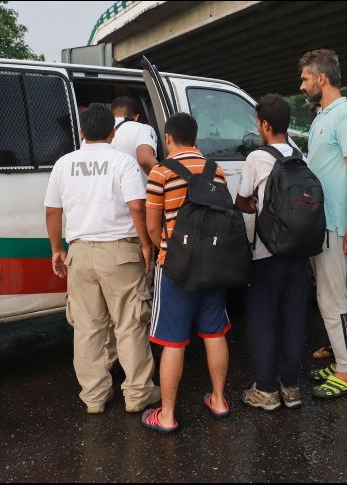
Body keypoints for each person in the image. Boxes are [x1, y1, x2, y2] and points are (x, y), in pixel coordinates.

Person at [44, 103, 159, 415]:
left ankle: (94, 397)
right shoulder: (122, 162)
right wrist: (146, 244)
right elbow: (137, 206)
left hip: (79, 253)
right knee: (130, 323)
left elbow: (53, 210)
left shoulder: (63, 164)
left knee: (88, 328)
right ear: (113, 132)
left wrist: (57, 248)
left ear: (81, 132)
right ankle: (137, 394)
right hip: (120, 252)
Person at [141, 113, 232, 432]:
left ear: (168, 139)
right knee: (215, 333)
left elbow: (152, 225)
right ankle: (219, 400)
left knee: (173, 341)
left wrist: (166, 249)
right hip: (214, 263)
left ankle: (166, 415)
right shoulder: (216, 170)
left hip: (176, 266)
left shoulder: (161, 172)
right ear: (196, 138)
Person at [234, 94, 310, 411]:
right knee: (294, 319)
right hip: (301, 251)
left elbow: (241, 201)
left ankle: (265, 390)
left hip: (268, 252)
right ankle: (291, 389)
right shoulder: (300, 155)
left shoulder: (256, 158)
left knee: (264, 319)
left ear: (264, 124)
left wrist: (259, 206)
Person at [298, 49, 347, 399]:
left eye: (306, 78)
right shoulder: (323, 115)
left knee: (335, 298)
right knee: (327, 298)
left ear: (321, 78)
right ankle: (344, 361)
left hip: (337, 224)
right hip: (321, 223)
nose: (302, 84)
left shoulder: (346, 116)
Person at [104, 96, 160, 372]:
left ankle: (109, 363)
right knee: (133, 306)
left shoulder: (94, 138)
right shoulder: (141, 129)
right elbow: (145, 158)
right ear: (136, 116)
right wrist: (167, 178)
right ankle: (136, 373)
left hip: (100, 229)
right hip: (131, 226)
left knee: (103, 310)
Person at [111, 97, 159, 175]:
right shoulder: (143, 129)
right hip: (135, 185)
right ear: (136, 117)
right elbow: (145, 160)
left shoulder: (97, 132)